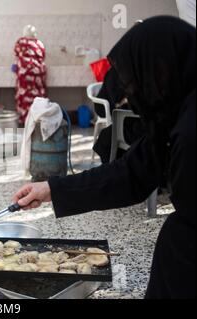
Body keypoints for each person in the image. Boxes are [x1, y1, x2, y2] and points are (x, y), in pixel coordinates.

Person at [12, 16, 195, 299]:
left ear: (162, 67)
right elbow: (133, 173)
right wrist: (52, 188)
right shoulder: (175, 113)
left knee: (178, 240)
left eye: (136, 83)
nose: (135, 97)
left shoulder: (190, 130)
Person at [93, 68, 145, 163]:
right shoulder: (116, 75)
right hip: (129, 120)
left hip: (139, 128)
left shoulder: (121, 73)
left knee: (106, 138)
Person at [14, 25, 47, 125]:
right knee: (38, 97)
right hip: (38, 73)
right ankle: (38, 121)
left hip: (25, 73)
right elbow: (43, 56)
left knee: (24, 97)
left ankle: (25, 121)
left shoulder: (20, 42)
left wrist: (16, 66)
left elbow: (17, 55)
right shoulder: (39, 43)